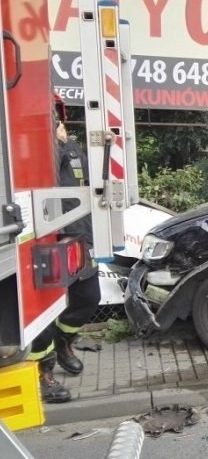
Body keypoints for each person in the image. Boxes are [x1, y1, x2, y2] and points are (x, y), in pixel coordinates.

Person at [27, 93, 101, 404]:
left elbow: (87, 188)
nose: (56, 120)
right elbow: (47, 180)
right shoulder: (37, 148)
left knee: (88, 298)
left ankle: (64, 341)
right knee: (43, 312)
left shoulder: (72, 146)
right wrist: (54, 145)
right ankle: (43, 373)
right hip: (46, 238)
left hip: (79, 236)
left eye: (56, 114)